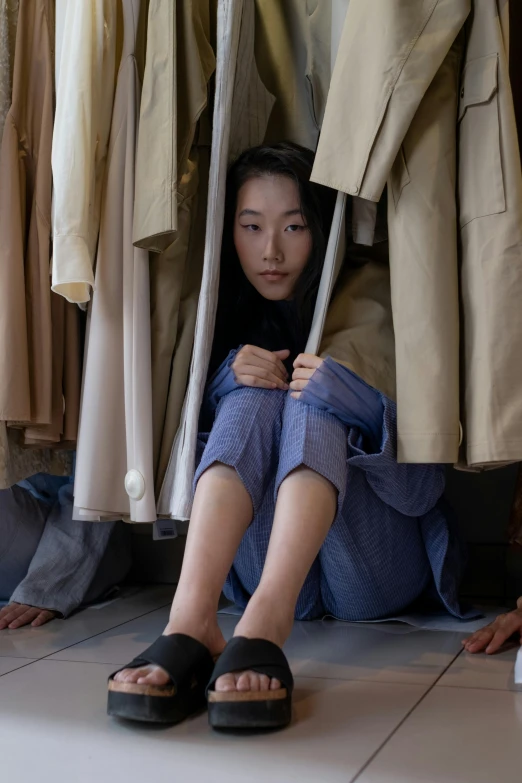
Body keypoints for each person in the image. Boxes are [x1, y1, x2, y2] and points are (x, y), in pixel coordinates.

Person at [108, 142, 470, 730]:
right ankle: (191, 619)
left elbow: (421, 495)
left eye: (294, 227)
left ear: (322, 229)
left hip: (372, 576)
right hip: (256, 581)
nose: (270, 252)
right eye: (251, 227)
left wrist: (363, 408)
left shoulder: (380, 296)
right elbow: (170, 475)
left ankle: (264, 628)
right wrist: (222, 384)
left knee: (316, 391)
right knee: (252, 391)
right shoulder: (209, 316)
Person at [0, 472, 132, 629]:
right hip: (16, 556)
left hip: (90, 551)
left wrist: (46, 585)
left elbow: (94, 482)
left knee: (95, 465)